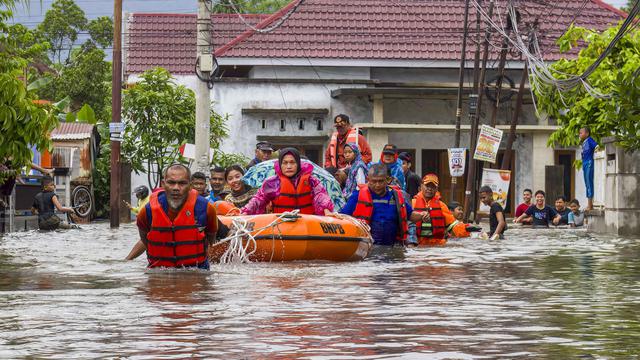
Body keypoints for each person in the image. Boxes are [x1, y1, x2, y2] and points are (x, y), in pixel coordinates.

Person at [125, 164, 229, 269]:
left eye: (182, 183)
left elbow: (211, 239)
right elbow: (145, 240)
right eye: (171, 182)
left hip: (196, 272)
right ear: (163, 184)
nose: (176, 188)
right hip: (159, 273)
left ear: (190, 186)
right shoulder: (148, 211)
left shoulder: (206, 209)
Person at [340, 163, 420, 246]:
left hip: (393, 247)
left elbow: (410, 215)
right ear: (368, 179)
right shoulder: (358, 195)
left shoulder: (396, 196)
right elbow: (343, 216)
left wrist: (423, 216)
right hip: (367, 247)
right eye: (374, 181)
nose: (377, 185)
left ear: (388, 180)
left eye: (380, 181)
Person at [242, 148, 334, 215]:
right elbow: (258, 199)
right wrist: (245, 212)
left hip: (307, 224)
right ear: (280, 165)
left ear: (298, 164)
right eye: (285, 163)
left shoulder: (311, 180)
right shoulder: (272, 183)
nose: (289, 166)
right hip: (282, 226)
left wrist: (327, 210)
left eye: (292, 162)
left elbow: (320, 196)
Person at [411, 174, 475, 246]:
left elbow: (453, 225)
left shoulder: (441, 206)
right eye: (427, 185)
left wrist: (467, 229)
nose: (429, 189)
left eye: (433, 186)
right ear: (421, 187)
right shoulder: (412, 203)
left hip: (437, 245)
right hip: (417, 245)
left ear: (436, 189)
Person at [579, 126, 597, 210]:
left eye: (581, 133)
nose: (579, 134)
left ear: (587, 133)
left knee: (589, 182)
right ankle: (589, 204)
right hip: (584, 163)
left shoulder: (589, 140)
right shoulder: (584, 142)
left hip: (589, 162)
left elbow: (596, 147)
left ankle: (590, 205)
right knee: (586, 183)